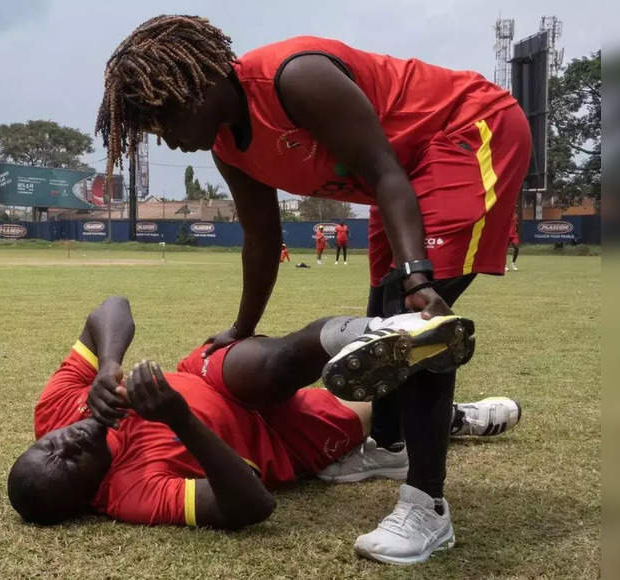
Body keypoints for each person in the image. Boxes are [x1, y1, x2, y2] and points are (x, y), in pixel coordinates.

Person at [95, 15, 531, 563]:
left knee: (414, 328)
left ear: (199, 82)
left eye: (166, 117)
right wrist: (242, 328)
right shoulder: (228, 148)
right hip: (401, 174)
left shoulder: (294, 78)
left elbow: (384, 170)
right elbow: (261, 237)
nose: (169, 138)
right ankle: (390, 446)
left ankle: (428, 509)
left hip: (465, 129)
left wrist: (418, 274)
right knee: (384, 317)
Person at [7, 297, 519, 556]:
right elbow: (252, 505)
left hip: (213, 380)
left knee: (266, 363)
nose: (65, 440)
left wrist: (108, 365)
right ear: (89, 496)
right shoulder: (130, 494)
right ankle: (449, 418)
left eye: (48, 445)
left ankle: (376, 331)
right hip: (278, 441)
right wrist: (179, 419)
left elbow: (112, 306)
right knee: (370, 414)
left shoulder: (56, 410)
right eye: (69, 460)